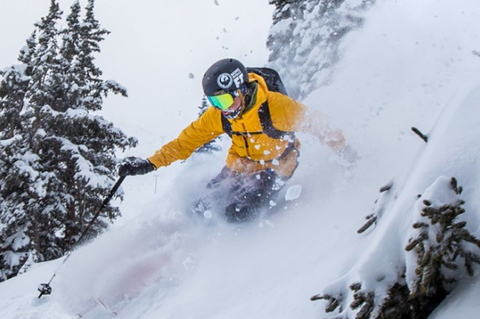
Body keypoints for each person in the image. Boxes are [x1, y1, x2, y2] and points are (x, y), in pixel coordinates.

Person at [118, 58, 354, 223]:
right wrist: (150, 164)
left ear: (241, 90)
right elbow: (185, 142)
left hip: (276, 166)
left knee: (237, 214)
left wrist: (344, 150)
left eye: (225, 100)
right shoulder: (220, 116)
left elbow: (321, 125)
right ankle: (189, 248)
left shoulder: (277, 108)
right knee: (200, 208)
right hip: (239, 166)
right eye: (216, 103)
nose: (223, 109)